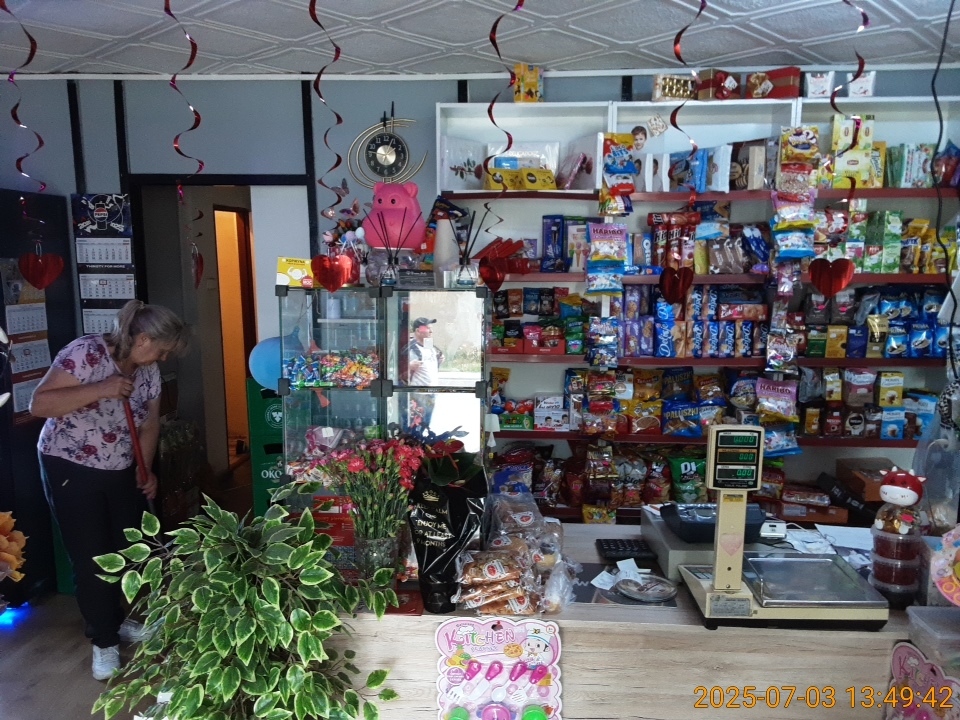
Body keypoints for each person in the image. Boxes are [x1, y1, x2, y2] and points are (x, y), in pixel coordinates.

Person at [30, 299, 188, 681]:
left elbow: (150, 424)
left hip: (119, 465)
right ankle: (103, 641)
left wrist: (144, 470)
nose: (164, 358)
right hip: (70, 464)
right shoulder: (84, 353)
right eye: (162, 350)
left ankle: (113, 621)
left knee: (125, 548)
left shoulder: (147, 371)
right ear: (143, 339)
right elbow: (39, 404)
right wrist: (101, 388)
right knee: (92, 557)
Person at [401, 317, 444, 431]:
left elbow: (430, 361)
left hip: (431, 391)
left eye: (431, 328)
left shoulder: (428, 344)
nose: (431, 331)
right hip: (419, 393)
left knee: (426, 423)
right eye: (427, 328)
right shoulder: (411, 348)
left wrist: (438, 360)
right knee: (415, 424)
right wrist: (408, 366)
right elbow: (399, 372)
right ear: (417, 331)